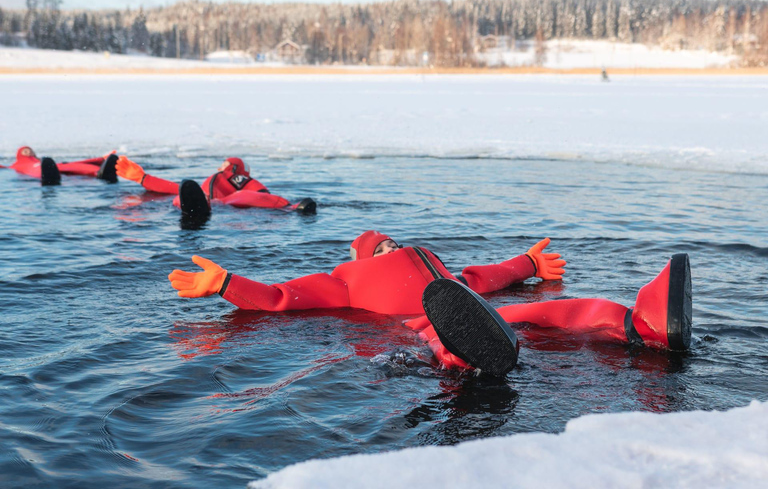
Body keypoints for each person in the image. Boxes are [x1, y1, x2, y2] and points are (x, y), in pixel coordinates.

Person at [167, 231, 691, 377]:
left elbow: (483, 278)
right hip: (423, 324)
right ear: (362, 254)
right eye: (379, 247)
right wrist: (227, 284)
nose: (389, 249)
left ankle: (645, 323)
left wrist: (528, 264)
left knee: (558, 311)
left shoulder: (441, 268)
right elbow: (284, 298)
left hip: (476, 311)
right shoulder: (344, 280)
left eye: (390, 244)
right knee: (444, 339)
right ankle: (466, 358)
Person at [115, 156, 317, 222]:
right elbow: (179, 188)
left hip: (227, 204)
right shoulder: (207, 185)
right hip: (214, 204)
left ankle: (294, 207)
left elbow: (260, 195)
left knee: (236, 197)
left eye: (224, 164)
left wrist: (144, 179)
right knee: (180, 195)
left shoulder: (239, 180)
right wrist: (143, 178)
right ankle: (195, 212)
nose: (220, 168)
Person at [2, 146, 118, 185]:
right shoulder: (17, 165)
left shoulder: (45, 162)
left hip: (54, 166)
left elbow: (80, 163)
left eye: (29, 150)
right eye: (24, 151)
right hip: (35, 171)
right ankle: (50, 179)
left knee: (72, 166)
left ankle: (100, 174)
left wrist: (102, 160)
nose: (28, 152)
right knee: (48, 170)